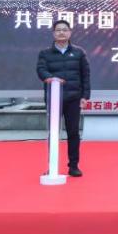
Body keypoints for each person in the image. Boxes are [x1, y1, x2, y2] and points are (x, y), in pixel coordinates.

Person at [36, 20, 91, 177]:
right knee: (53, 133)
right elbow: (41, 70)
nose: (61, 32)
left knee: (73, 132)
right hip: (54, 98)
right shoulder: (45, 53)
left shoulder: (79, 53)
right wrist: (51, 78)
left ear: (70, 33)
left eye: (65, 30)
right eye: (58, 30)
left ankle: (73, 166)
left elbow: (85, 76)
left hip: (73, 98)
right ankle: (52, 166)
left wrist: (85, 96)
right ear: (53, 33)